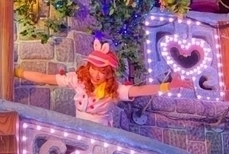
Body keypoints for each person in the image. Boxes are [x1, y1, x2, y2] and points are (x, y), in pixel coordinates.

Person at [14, 37, 191, 126]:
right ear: (88, 67)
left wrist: (168, 86)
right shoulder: (78, 80)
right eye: (94, 68)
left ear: (108, 74)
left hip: (101, 134)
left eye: (102, 71)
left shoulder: (114, 89)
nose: (97, 74)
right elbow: (46, 78)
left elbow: (139, 91)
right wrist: (17, 72)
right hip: (78, 128)